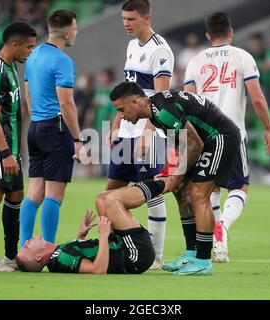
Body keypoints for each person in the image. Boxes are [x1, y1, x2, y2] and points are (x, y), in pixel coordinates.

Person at [172, 12, 270, 265]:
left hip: (204, 133)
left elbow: (188, 101)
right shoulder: (243, 57)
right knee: (239, 187)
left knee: (208, 189)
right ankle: (223, 228)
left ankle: (218, 246)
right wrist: (268, 128)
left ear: (208, 35)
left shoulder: (195, 60)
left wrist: (189, 140)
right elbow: (258, 98)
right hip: (232, 131)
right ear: (231, 31)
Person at [109, 81, 241, 275]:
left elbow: (195, 142)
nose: (121, 116)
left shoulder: (162, 111)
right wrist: (172, 171)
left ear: (136, 101)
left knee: (198, 194)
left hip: (220, 137)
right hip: (204, 140)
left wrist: (176, 175)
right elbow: (183, 141)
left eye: (122, 109)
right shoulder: (155, 114)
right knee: (182, 192)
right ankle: (191, 253)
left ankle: (204, 261)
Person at [106, 0, 174, 269]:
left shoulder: (160, 51)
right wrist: (115, 124)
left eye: (131, 19)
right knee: (112, 188)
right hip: (126, 131)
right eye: (124, 19)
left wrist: (148, 131)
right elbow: (127, 95)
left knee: (150, 191)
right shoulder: (132, 45)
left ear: (147, 18)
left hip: (149, 132)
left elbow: (161, 98)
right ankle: (110, 246)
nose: (126, 24)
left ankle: (156, 256)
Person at [20, 10, 84, 247]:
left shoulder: (33, 55)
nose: (76, 32)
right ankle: (47, 248)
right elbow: (66, 102)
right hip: (55, 130)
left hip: (35, 127)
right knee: (54, 194)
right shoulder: (63, 61)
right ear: (66, 33)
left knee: (34, 191)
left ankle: (24, 247)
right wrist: (77, 138)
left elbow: (28, 94)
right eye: (75, 28)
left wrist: (37, 117)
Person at [0, 22, 36, 271]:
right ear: (14, 44)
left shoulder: (11, 68)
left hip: (11, 145)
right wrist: (5, 153)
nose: (30, 52)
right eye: (28, 47)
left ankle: (11, 257)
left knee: (15, 195)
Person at [15, 179, 165, 274]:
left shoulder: (57, 254)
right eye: (27, 247)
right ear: (39, 257)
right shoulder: (60, 258)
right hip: (135, 256)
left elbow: (79, 253)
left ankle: (153, 185)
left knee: (101, 198)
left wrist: (80, 237)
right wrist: (104, 235)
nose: (26, 242)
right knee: (113, 201)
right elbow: (98, 270)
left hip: (119, 247)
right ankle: (164, 184)